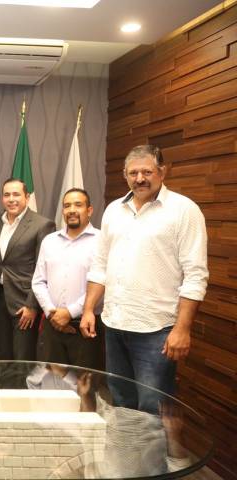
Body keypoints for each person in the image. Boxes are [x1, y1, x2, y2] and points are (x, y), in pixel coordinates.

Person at [82, 145, 208, 414]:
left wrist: (182, 329)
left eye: (147, 172)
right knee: (121, 402)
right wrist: (89, 309)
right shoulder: (114, 210)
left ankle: (152, 446)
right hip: (115, 325)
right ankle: (128, 444)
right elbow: (100, 265)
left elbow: (196, 276)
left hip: (156, 331)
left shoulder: (184, 210)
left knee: (153, 408)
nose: (140, 179)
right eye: (133, 173)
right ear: (125, 175)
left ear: (162, 172)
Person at [32, 188, 102, 369]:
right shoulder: (49, 241)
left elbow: (103, 282)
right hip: (52, 325)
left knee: (85, 383)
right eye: (67, 206)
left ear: (89, 210)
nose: (72, 210)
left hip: (86, 326)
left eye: (78, 205)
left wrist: (69, 313)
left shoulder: (102, 241)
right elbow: (38, 281)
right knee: (51, 381)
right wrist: (52, 314)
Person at [0, 178, 55, 362]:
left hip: (24, 302)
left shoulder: (42, 225)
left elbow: (43, 269)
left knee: (22, 359)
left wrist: (32, 306)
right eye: (7, 195)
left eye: (16, 194)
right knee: (2, 357)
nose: (11, 199)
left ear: (27, 197)